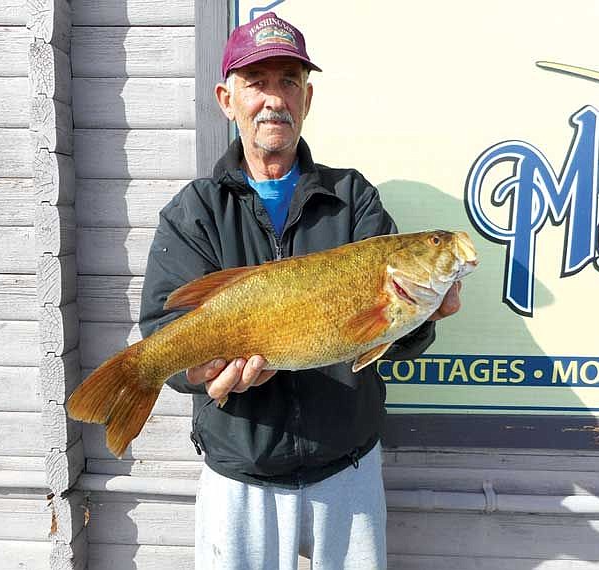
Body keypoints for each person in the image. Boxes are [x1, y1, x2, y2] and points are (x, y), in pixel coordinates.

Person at [139, 12, 462, 570]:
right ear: (226, 98)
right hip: (239, 476)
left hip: (348, 470)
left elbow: (389, 344)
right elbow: (165, 338)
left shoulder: (353, 197)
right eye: (256, 82)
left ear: (307, 99)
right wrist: (198, 371)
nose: (274, 98)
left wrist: (422, 315)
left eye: (288, 80)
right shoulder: (194, 213)